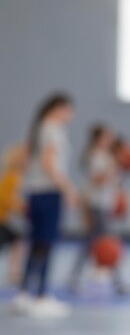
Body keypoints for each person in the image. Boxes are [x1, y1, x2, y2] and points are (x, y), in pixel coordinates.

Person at [12, 92, 78, 318]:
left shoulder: (36, 128)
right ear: (58, 108)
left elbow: (22, 160)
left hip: (33, 192)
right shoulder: (54, 130)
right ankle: (41, 295)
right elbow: (49, 163)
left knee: (36, 242)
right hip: (49, 192)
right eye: (69, 110)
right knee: (46, 243)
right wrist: (67, 188)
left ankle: (23, 294)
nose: (70, 115)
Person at [67, 123, 130, 295]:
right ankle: (119, 284)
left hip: (104, 205)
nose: (110, 139)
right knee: (108, 244)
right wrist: (112, 168)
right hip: (95, 206)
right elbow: (97, 180)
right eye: (107, 136)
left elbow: (111, 182)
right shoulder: (95, 156)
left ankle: (74, 278)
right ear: (99, 139)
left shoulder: (106, 156)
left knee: (90, 244)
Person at [0, 144, 27, 284]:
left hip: (5, 219)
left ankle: (13, 272)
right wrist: (20, 207)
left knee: (18, 241)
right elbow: (4, 197)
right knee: (17, 241)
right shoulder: (12, 177)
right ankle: (13, 272)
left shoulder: (15, 176)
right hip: (1, 219)